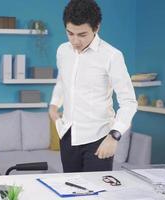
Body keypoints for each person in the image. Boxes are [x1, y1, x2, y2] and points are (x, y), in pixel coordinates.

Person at [49, 0, 137, 172]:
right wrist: (54, 104)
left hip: (99, 139)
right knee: (70, 191)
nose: (75, 41)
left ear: (96, 28)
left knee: (97, 195)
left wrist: (114, 136)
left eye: (82, 35)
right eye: (70, 33)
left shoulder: (111, 56)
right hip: (67, 135)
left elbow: (129, 102)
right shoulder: (62, 51)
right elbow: (63, 79)